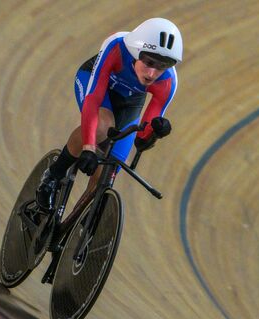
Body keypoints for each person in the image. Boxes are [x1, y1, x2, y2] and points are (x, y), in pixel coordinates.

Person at [36, 17, 182, 211]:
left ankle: (75, 228)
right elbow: (93, 99)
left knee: (108, 173)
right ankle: (53, 176)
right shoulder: (117, 47)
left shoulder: (168, 82)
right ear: (136, 52)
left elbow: (141, 138)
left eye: (162, 66)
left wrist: (155, 132)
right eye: (149, 62)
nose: (152, 73)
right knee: (103, 126)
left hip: (129, 104)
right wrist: (88, 147)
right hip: (96, 85)